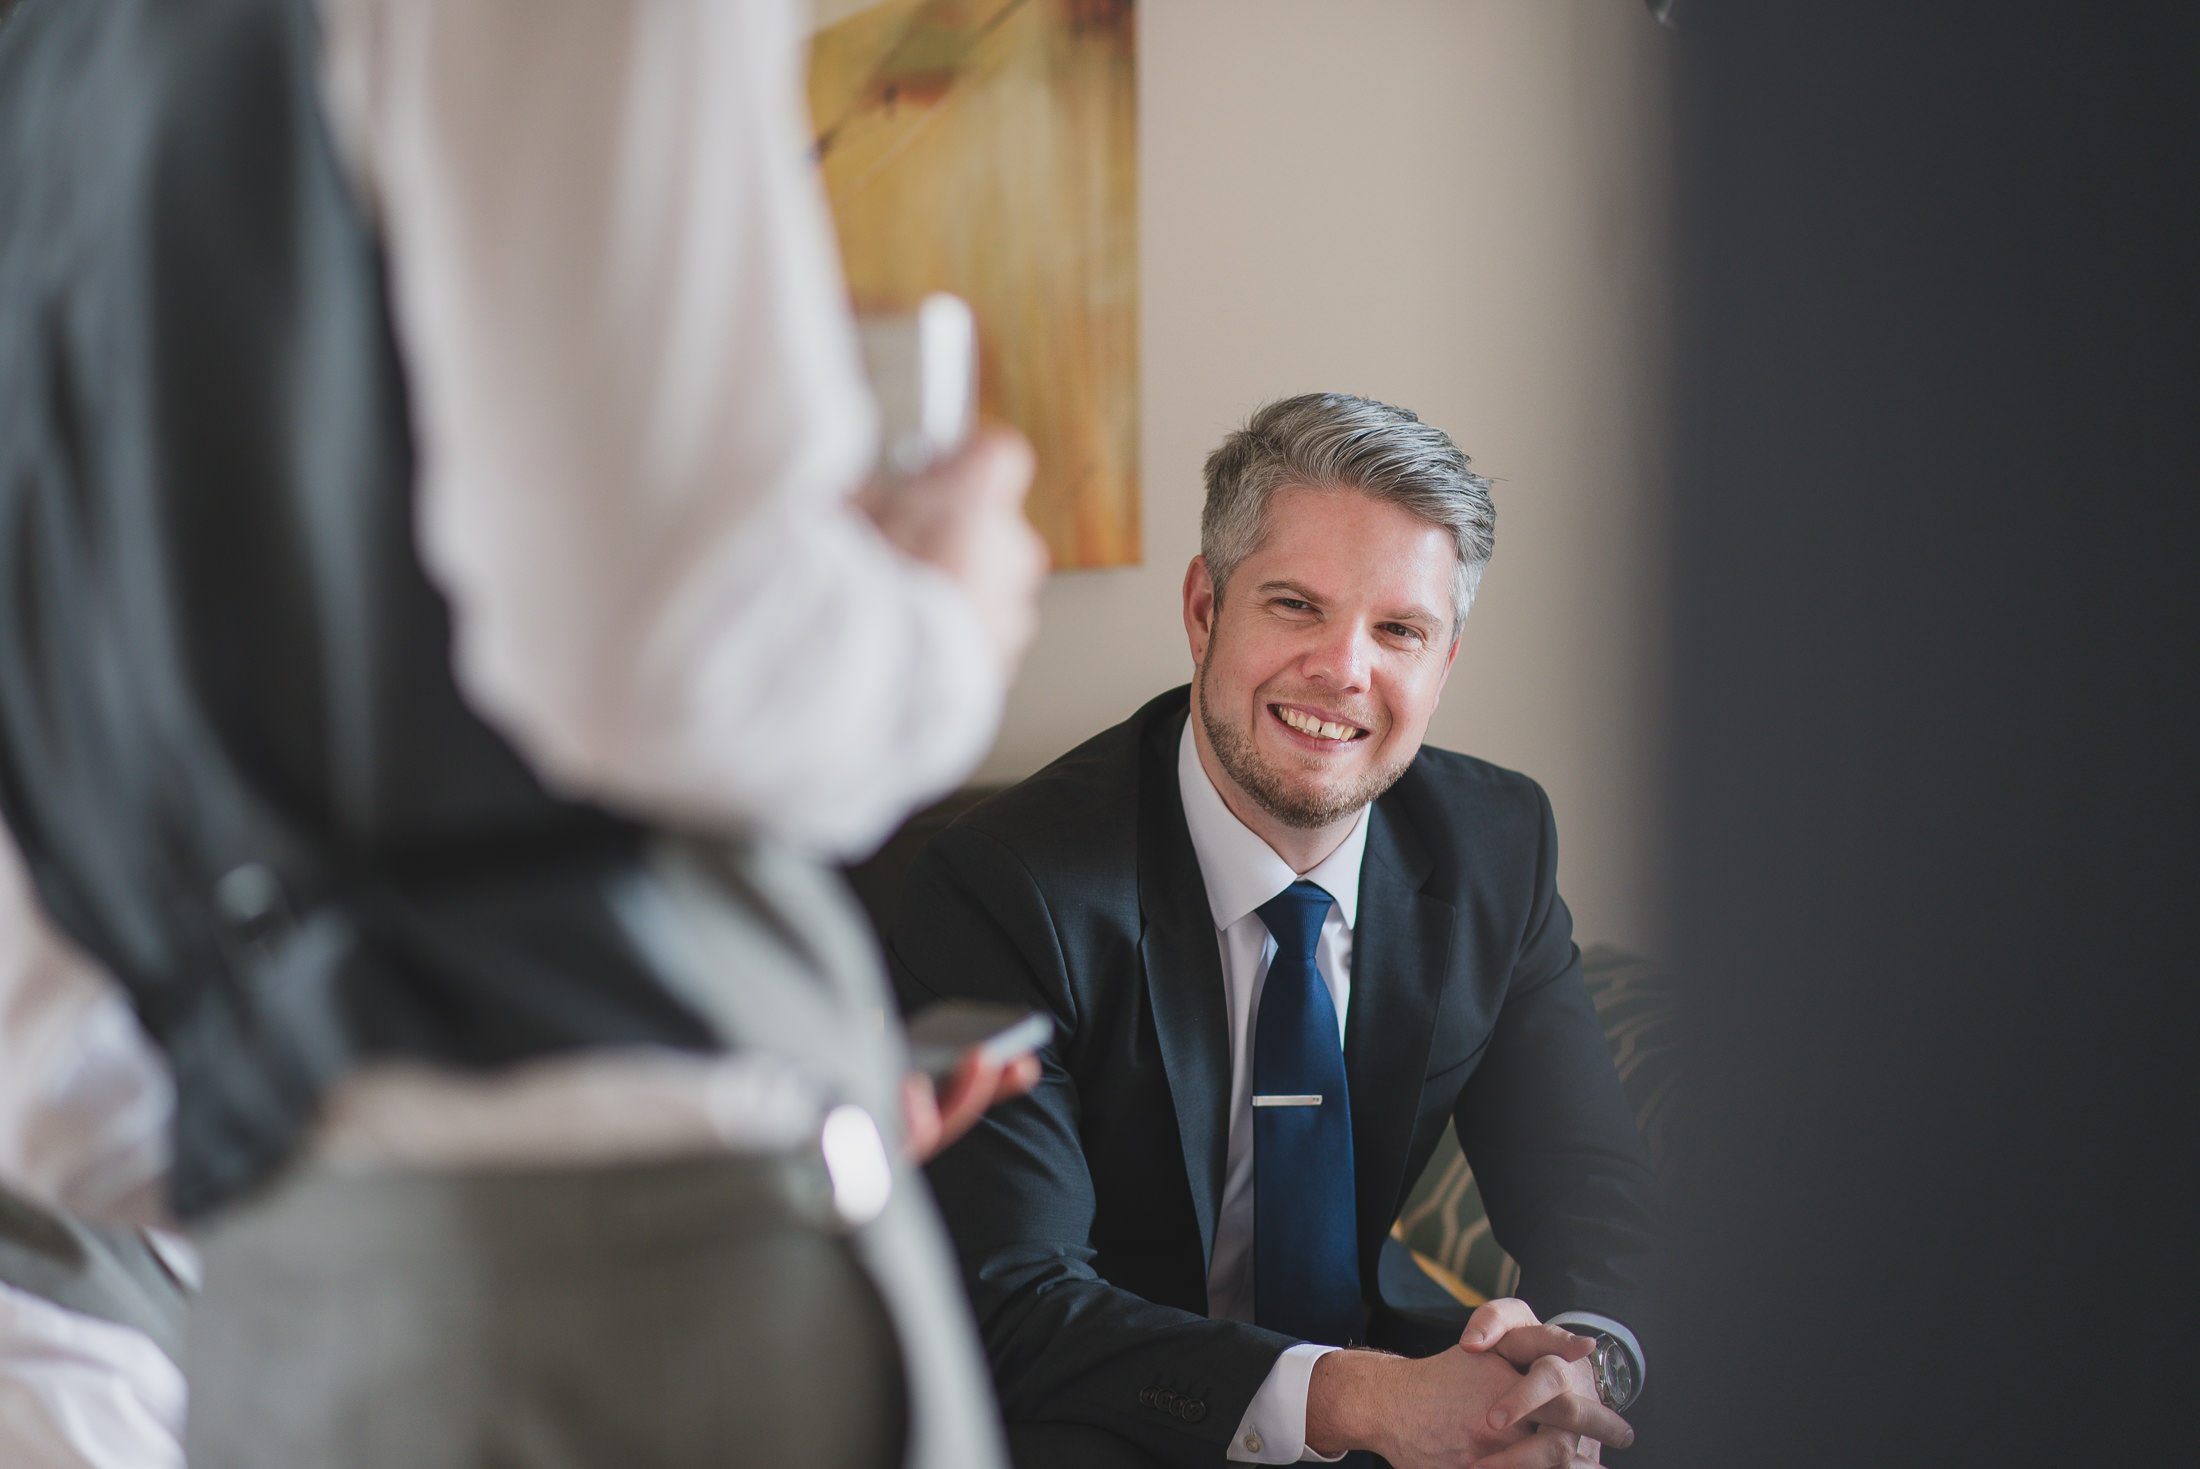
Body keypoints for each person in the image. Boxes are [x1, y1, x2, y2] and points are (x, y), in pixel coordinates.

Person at [0, 0, 1044, 1465]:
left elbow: (55, 1044)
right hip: (637, 1301)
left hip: (288, 1313)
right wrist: (946, 613)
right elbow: (686, 657)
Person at [888, 394, 1660, 1469]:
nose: (1344, 669)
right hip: (1112, 1411)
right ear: (1205, 608)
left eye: (1399, 629)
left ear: (1444, 662)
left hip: (1395, 1374)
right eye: (1296, 605)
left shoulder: (1498, 842)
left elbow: (1589, 1182)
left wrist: (1572, 1370)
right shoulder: (1003, 887)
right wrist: (1364, 1402)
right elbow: (1016, 1299)